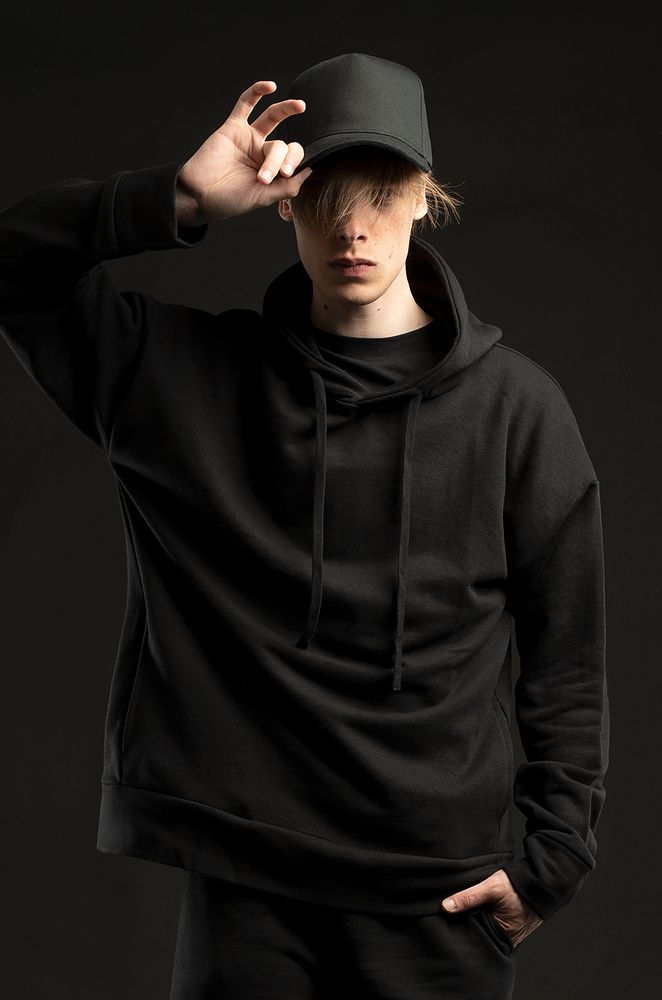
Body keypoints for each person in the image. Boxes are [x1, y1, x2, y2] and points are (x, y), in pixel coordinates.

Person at [0, 53, 609, 999]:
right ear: (284, 199)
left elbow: (566, 653)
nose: (351, 225)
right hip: (248, 885)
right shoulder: (183, 381)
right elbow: (15, 266)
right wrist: (178, 199)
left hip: (437, 893)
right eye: (323, 191)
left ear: (423, 199)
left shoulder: (517, 412)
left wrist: (554, 858)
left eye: (380, 193)